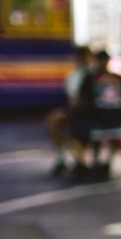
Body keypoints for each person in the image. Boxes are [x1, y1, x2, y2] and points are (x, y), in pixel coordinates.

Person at [74, 49, 121, 177]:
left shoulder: (90, 77)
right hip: (114, 119)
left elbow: (82, 100)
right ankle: (101, 163)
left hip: (95, 119)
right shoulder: (117, 78)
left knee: (75, 132)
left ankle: (82, 164)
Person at [46, 45, 92, 175]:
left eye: (84, 56)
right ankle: (61, 157)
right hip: (77, 111)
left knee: (75, 127)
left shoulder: (93, 74)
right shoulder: (74, 75)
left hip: (87, 112)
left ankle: (79, 160)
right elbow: (72, 98)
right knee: (53, 120)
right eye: (80, 56)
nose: (82, 59)